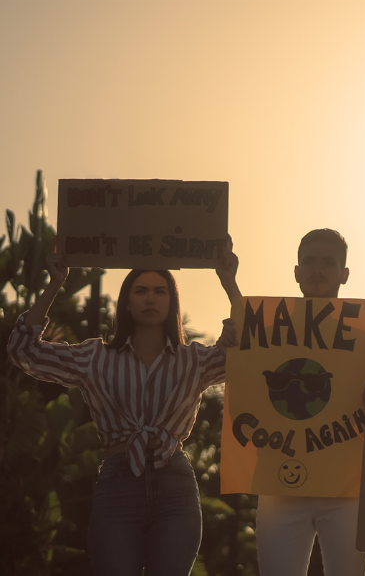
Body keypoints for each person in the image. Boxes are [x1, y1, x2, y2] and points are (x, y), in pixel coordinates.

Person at [7, 243, 240, 575]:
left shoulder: (195, 359)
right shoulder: (94, 357)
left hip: (174, 485)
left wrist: (229, 281)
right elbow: (23, 350)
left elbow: (251, 349)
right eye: (141, 291)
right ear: (127, 303)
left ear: (172, 302)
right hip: (118, 482)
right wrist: (55, 283)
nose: (150, 298)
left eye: (160, 291)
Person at [249, 229, 365, 576]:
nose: (318, 270)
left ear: (344, 274)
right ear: (297, 271)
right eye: (310, 261)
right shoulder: (261, 335)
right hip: (280, 485)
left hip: (346, 487)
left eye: (328, 262)